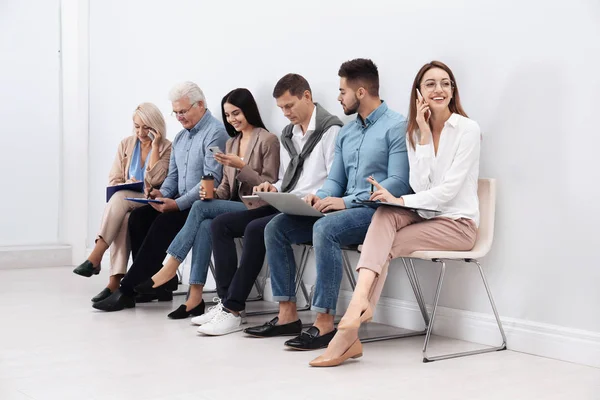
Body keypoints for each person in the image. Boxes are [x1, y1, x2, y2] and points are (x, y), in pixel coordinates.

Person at [310, 61, 481, 367]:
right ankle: (356, 315)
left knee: (387, 225)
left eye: (445, 83)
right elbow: (422, 184)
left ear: (453, 90)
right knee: (384, 216)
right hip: (428, 217)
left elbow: (447, 193)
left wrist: (400, 200)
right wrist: (425, 136)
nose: (438, 89)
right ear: (419, 93)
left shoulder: (468, 130)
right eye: (430, 84)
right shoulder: (415, 133)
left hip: (458, 225)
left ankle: (350, 326)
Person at [244, 59, 411, 351]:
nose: (338, 97)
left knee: (325, 229)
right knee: (276, 227)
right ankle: (287, 315)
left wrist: (344, 202)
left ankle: (323, 322)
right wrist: (320, 196)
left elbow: (398, 182)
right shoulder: (347, 132)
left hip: (377, 213)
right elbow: (335, 179)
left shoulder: (397, 126)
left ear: (360, 92)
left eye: (342, 90)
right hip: (344, 209)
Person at [192, 73, 342, 335]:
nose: (285, 113)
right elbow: (285, 179)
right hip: (288, 201)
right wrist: (272, 188)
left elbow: (333, 180)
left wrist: (303, 195)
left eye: (289, 106)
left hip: (312, 206)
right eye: (281, 108)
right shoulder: (290, 134)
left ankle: (234, 309)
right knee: (221, 224)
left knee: (256, 228)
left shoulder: (331, 131)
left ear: (307, 96)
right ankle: (226, 304)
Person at [134, 88, 280, 319]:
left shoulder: (268, 140)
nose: (232, 119)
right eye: (228, 115)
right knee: (204, 220)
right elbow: (223, 187)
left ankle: (170, 266)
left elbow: (270, 185)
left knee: (199, 208)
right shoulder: (232, 143)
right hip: (233, 205)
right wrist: (208, 193)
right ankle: (195, 297)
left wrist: (242, 167)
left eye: (236, 113)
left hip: (257, 207)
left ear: (248, 111)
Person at [93, 81, 229, 312]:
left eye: (183, 111)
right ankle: (158, 287)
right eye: (176, 113)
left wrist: (177, 203)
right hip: (179, 200)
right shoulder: (180, 138)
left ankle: (127, 290)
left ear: (201, 105)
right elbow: (173, 177)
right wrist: (161, 194)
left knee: (164, 223)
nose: (179, 117)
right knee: (139, 218)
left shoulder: (215, 133)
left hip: (201, 203)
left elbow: (211, 180)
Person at [72, 103, 172, 303]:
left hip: (152, 200)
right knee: (124, 218)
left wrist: (154, 148)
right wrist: (127, 184)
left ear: (156, 126)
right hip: (128, 200)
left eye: (146, 127)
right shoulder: (126, 144)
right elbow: (114, 179)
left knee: (119, 200)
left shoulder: (166, 147)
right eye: (137, 126)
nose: (141, 132)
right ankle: (115, 281)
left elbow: (156, 181)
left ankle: (96, 256)